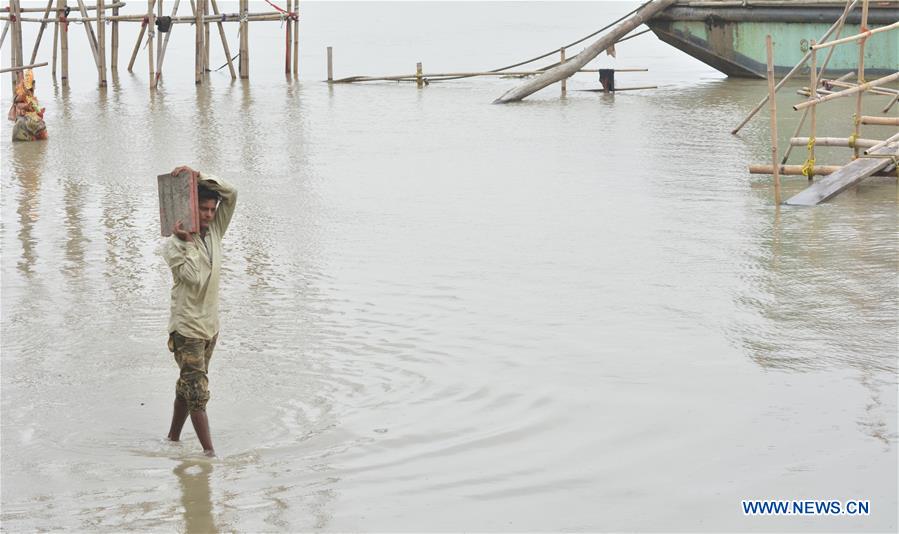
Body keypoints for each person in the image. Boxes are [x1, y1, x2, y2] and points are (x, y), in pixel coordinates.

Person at [161, 165, 237, 457]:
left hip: (209, 327)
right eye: (202, 209)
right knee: (198, 394)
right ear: (190, 208)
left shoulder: (215, 231)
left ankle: (172, 439)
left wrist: (198, 178)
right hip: (187, 330)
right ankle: (210, 455)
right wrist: (188, 242)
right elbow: (193, 278)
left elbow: (232, 193)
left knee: (188, 386)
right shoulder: (174, 246)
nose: (207, 215)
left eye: (210, 209)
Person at [7, 69, 48, 142]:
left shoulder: (22, 93)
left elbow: (17, 102)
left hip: (22, 121)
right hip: (28, 121)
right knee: (42, 131)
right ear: (33, 84)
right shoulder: (24, 95)